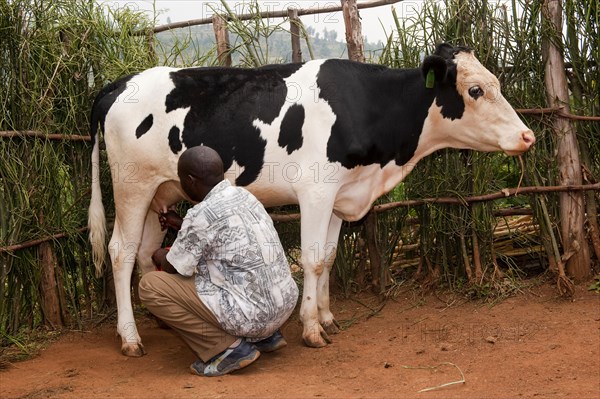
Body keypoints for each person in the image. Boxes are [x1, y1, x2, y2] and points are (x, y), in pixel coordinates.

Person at [138, 146, 299, 377]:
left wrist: (158, 254)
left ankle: (227, 350)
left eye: (181, 178)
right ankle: (265, 337)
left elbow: (175, 265)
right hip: (282, 305)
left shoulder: (201, 215)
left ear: (191, 180)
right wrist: (182, 224)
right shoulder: (244, 196)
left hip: (252, 316)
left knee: (151, 286)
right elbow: (221, 237)